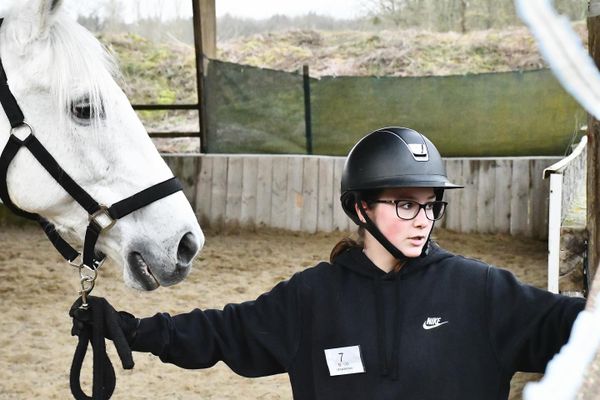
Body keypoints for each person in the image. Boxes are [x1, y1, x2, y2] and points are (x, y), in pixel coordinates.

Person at [72, 127, 585, 400]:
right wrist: (131, 329)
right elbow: (222, 333)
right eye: (404, 203)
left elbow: (577, 329)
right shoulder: (311, 298)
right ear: (361, 206)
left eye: (430, 204)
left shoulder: (484, 292)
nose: (422, 219)